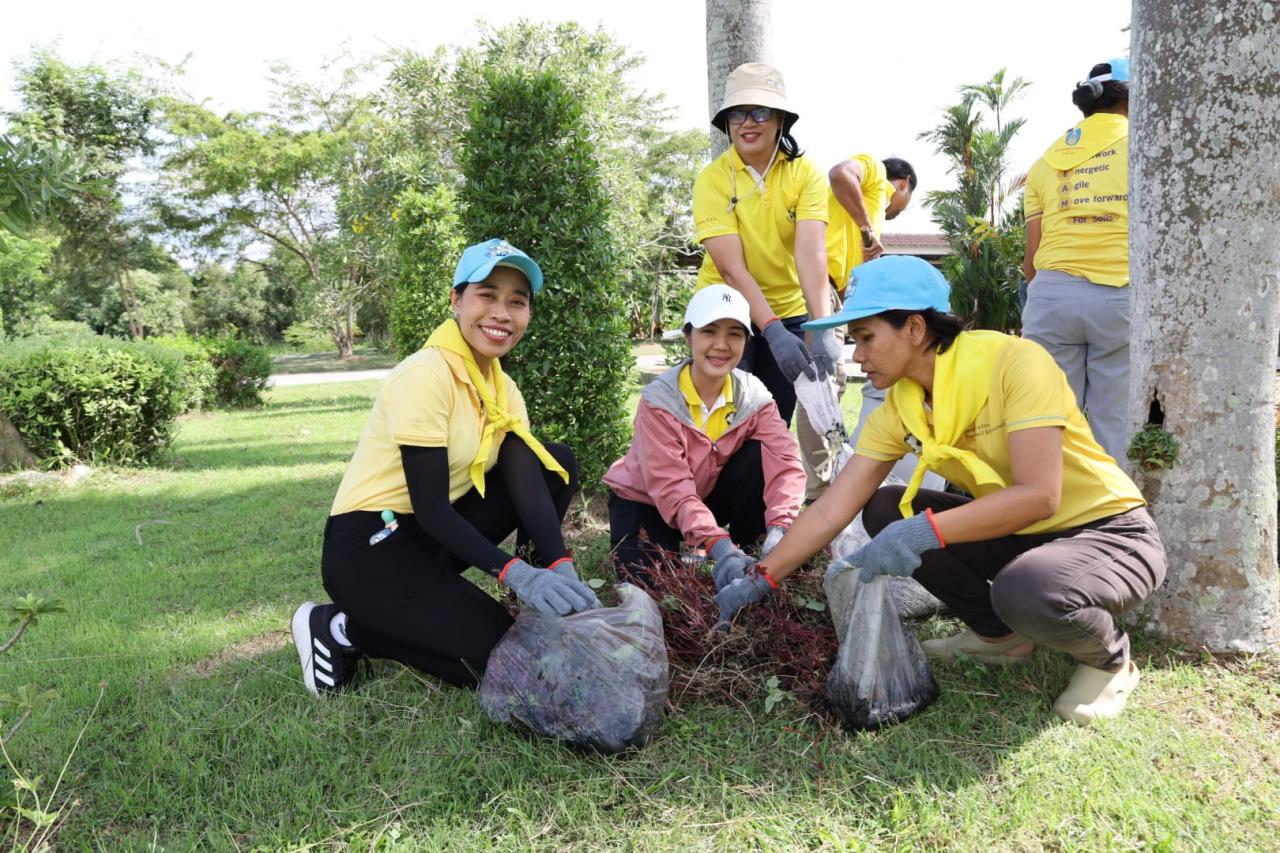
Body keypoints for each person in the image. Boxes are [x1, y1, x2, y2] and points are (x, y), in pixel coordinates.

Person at [715, 255, 1166, 726]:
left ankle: (1110, 660)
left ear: (914, 328)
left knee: (1024, 590)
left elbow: (1039, 496)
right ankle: (999, 636)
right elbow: (833, 507)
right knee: (884, 507)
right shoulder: (903, 403)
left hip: (1109, 533)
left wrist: (920, 535)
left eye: (866, 338)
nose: (858, 355)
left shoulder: (1014, 363)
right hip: (1026, 533)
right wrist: (761, 578)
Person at [290, 239, 601, 696]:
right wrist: (516, 572)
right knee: (501, 658)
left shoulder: (501, 385)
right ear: (456, 300)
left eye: (518, 301)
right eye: (487, 295)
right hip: (372, 548)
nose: (502, 312)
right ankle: (340, 627)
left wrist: (557, 566)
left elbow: (521, 469)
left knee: (555, 463)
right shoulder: (425, 375)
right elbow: (432, 508)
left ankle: (544, 600)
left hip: (429, 538)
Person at [603, 285, 805, 587]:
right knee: (651, 587)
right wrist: (718, 545)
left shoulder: (753, 396)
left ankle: (746, 550)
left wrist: (780, 528)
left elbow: (786, 462)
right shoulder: (659, 401)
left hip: (706, 493)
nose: (721, 345)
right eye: (709, 331)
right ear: (688, 336)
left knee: (758, 455)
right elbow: (672, 487)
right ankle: (718, 549)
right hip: (649, 500)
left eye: (735, 334)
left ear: (746, 342)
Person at [692, 62, 839, 428]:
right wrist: (769, 330)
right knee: (724, 420)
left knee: (772, 421)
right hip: (725, 309)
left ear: (780, 121)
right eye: (737, 113)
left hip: (789, 311)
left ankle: (761, 486)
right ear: (727, 123)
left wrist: (819, 328)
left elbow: (811, 253)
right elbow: (731, 267)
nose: (748, 122)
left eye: (760, 112)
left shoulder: (806, 175)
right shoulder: (712, 180)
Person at [1021, 58, 1132, 463]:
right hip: (1122, 296)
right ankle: (1115, 521)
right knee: (1115, 425)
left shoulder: (1046, 160)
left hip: (1051, 295)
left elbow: (1030, 260)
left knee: (1047, 421)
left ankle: (1049, 514)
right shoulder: (1144, 147)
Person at [798, 155, 919, 501]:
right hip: (819, 288)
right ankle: (820, 490)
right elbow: (838, 172)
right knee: (823, 382)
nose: (895, 213)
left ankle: (824, 484)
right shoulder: (876, 174)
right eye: (902, 205)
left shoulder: (868, 204)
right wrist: (868, 230)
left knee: (829, 384)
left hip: (837, 296)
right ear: (903, 185)